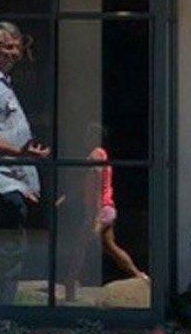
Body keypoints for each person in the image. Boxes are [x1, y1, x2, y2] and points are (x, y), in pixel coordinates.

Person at [0, 22, 50, 305]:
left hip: (16, 182)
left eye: (18, 47)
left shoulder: (3, 83)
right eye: (8, 47)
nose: (15, 53)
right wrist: (19, 156)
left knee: (12, 254)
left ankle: (1, 313)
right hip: (3, 183)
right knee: (8, 255)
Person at [63, 124, 147, 301]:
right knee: (110, 246)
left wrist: (94, 217)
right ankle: (139, 275)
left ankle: (69, 285)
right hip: (107, 208)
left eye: (89, 135)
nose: (85, 138)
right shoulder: (100, 155)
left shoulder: (96, 155)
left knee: (80, 247)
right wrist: (67, 196)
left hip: (99, 209)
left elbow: (98, 186)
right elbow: (86, 182)